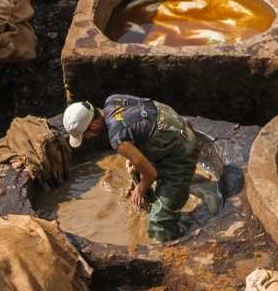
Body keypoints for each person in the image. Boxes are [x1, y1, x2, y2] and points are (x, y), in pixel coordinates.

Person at [62, 94, 199, 242]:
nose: (88, 138)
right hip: (178, 126)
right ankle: (158, 204)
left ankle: (168, 246)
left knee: (159, 224)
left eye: (86, 135)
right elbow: (141, 123)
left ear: (94, 126)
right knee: (134, 170)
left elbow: (151, 174)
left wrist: (140, 189)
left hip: (182, 151)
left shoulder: (117, 138)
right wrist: (135, 160)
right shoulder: (112, 101)